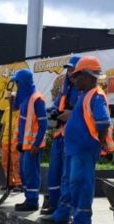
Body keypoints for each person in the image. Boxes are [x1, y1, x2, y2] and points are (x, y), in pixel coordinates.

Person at [47, 56, 114, 224]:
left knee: (81, 183)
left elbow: (103, 122)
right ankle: (63, 215)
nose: (73, 79)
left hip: (84, 149)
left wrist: (101, 142)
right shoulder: (85, 95)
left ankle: (82, 220)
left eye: (76, 75)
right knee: (69, 182)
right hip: (75, 149)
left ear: (86, 75)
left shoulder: (96, 96)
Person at [43, 55, 81, 215]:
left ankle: (66, 211)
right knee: (54, 173)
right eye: (69, 70)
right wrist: (57, 112)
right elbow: (55, 106)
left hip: (74, 138)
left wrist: (71, 114)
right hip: (60, 136)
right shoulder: (66, 89)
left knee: (68, 176)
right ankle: (54, 205)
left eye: (73, 69)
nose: (70, 73)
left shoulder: (86, 91)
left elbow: (88, 113)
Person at [11, 69, 48, 212]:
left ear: (24, 83)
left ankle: (32, 201)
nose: (16, 86)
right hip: (25, 144)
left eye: (18, 83)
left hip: (33, 145)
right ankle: (28, 198)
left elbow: (43, 123)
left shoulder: (37, 99)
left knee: (31, 172)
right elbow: (20, 117)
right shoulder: (25, 98)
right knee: (24, 172)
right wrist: (20, 142)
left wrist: (37, 144)